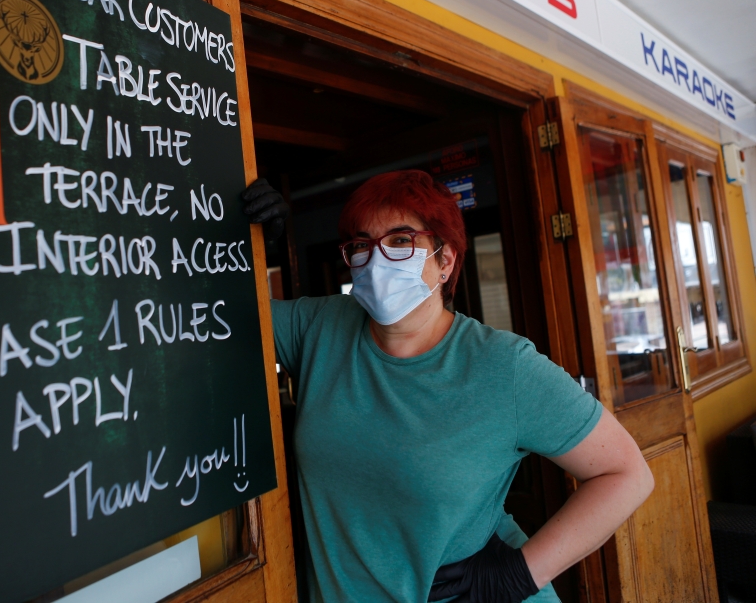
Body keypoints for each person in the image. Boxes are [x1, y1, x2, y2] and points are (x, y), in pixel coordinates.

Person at [241, 171, 653, 603]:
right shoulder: (319, 327)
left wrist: (515, 576)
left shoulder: (503, 366)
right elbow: (215, 317)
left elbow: (627, 474)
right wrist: (251, 245)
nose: (377, 259)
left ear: (446, 261)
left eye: (401, 241)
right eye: (362, 244)